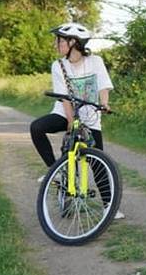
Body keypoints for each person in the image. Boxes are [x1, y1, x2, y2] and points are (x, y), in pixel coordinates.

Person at [30, 23, 123, 218]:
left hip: (90, 116)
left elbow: (104, 86)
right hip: (65, 114)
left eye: (60, 41)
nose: (57, 44)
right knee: (37, 127)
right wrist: (71, 120)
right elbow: (64, 97)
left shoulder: (95, 61)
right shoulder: (59, 65)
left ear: (73, 42)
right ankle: (55, 170)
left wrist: (104, 103)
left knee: (97, 161)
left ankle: (109, 206)